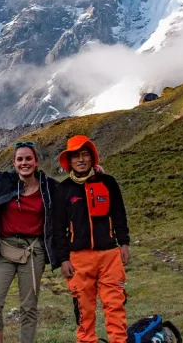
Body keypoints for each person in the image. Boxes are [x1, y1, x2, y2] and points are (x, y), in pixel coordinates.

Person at [52, 135, 131, 343]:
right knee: (83, 311)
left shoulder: (108, 182)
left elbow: (119, 214)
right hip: (78, 259)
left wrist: (124, 243)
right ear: (68, 161)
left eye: (85, 154)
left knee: (115, 306)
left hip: (110, 256)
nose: (81, 159)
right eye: (76, 156)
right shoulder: (63, 189)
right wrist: (63, 259)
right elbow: (58, 228)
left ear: (92, 158)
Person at [0, 141, 60, 343]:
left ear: (36, 161)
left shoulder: (50, 187)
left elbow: (74, 190)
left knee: (28, 306)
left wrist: (96, 174)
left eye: (28, 158)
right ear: (14, 162)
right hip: (4, 249)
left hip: (33, 251)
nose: (24, 163)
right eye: (20, 159)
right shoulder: (4, 180)